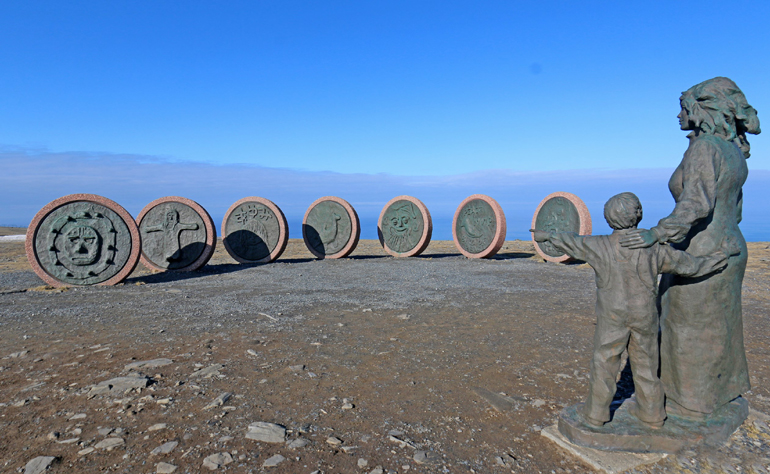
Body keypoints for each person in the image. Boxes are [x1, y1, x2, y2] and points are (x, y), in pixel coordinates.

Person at [619, 77, 761, 420]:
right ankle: (716, 396)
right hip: (730, 246)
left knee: (685, 327)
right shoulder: (734, 151)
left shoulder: (705, 149)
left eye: (684, 107)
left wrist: (657, 233)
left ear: (703, 109)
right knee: (718, 327)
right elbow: (735, 211)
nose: (679, 115)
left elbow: (696, 205)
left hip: (701, 249)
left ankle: (688, 406)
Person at [531, 192, 734, 428]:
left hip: (612, 315)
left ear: (608, 219)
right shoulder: (655, 248)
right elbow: (691, 266)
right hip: (644, 315)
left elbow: (571, 241)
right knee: (647, 364)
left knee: (604, 362)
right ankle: (652, 414)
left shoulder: (598, 245)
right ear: (639, 214)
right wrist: (722, 255)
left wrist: (548, 235)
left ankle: (596, 414)